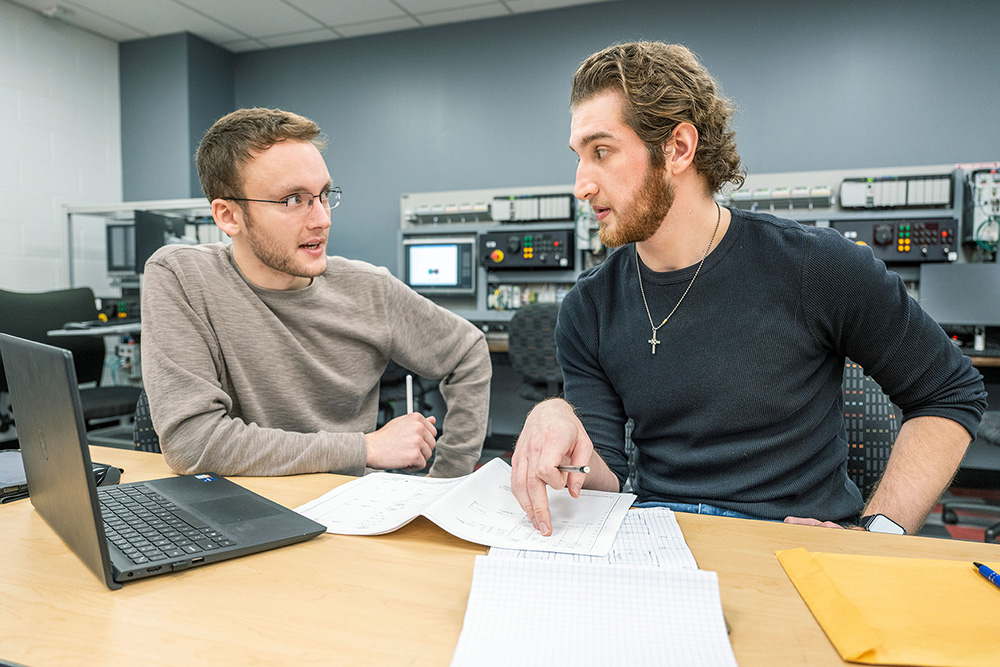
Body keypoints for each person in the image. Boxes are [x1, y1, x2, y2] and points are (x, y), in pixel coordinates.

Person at [511, 41, 987, 536]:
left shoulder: (815, 266)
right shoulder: (588, 307)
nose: (581, 184)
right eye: (578, 157)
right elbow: (603, 476)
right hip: (658, 542)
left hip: (793, 544)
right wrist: (560, 419)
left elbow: (949, 392)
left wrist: (877, 533)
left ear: (678, 148)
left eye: (601, 152)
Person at [141, 108, 491, 478]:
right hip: (240, 514)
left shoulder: (370, 289)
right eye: (293, 200)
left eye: (324, 195)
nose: (322, 218)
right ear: (229, 216)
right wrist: (366, 448)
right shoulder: (182, 276)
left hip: (353, 513)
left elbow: (468, 352)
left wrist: (446, 481)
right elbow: (194, 444)